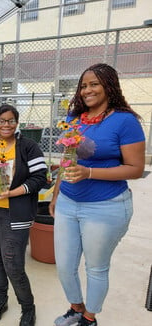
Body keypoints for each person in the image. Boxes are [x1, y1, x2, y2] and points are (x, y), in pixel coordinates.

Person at [49, 63, 145, 326]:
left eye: (94, 84)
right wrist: (57, 195)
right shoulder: (73, 119)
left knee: (96, 267)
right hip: (69, 202)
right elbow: (67, 160)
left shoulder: (125, 121)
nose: (87, 90)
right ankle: (76, 308)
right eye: (83, 86)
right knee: (65, 266)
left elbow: (135, 169)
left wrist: (89, 173)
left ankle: (89, 318)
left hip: (106, 207)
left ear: (109, 86)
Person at [0, 104, 47, 325]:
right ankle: (0, 300)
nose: (6, 124)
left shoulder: (29, 147)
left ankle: (28, 307)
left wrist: (13, 192)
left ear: (16, 123)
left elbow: (39, 178)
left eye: (10, 120)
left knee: (13, 263)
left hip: (15, 213)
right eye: (1, 121)